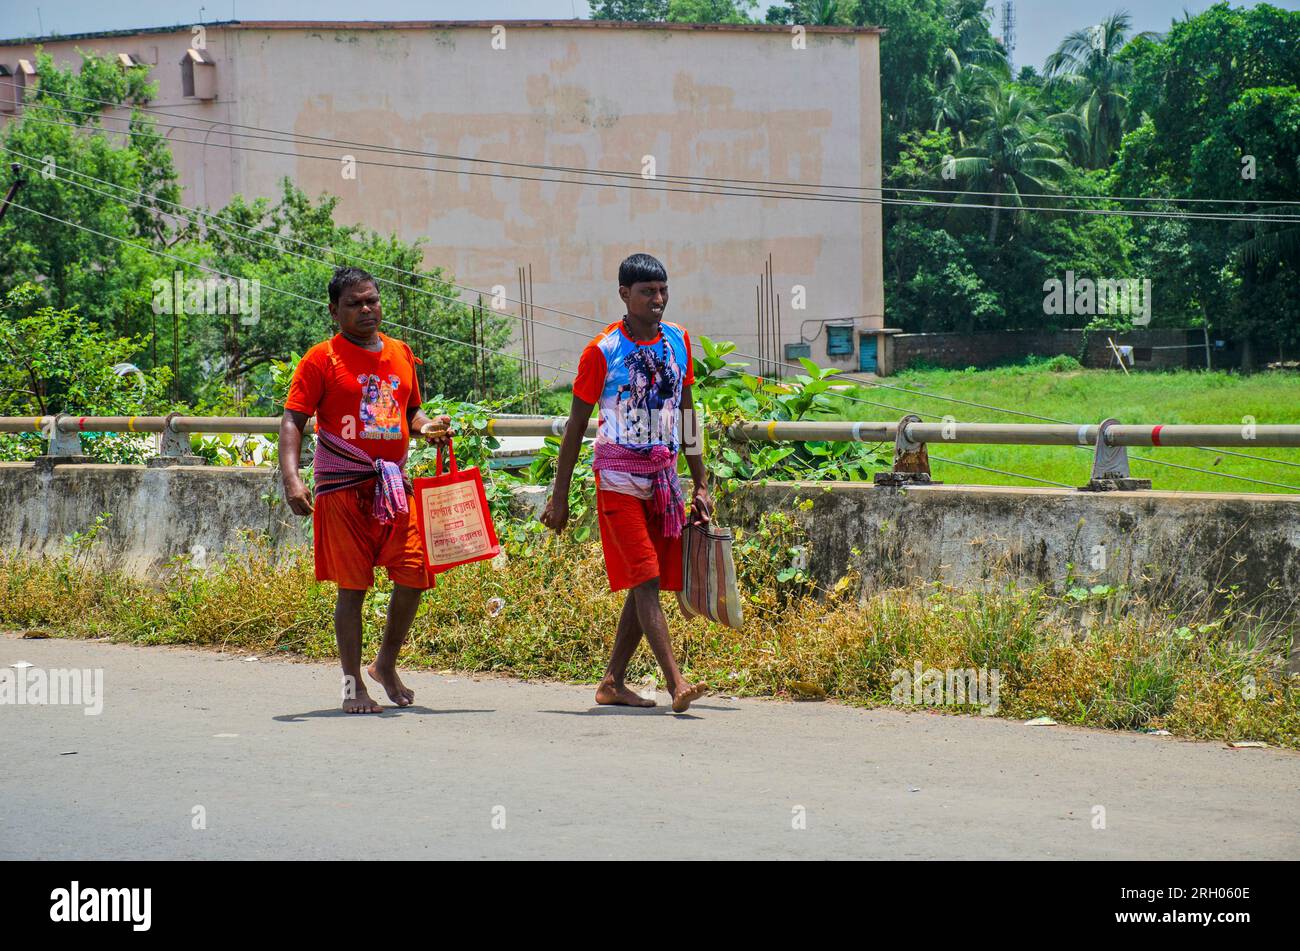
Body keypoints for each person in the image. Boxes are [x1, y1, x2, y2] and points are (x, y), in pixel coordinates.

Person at [541, 253, 711, 713]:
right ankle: (677, 684)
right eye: (646, 292)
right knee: (647, 578)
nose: (657, 300)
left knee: (646, 581)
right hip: (617, 481)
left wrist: (700, 481)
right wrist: (559, 500)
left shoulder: (678, 341)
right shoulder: (602, 351)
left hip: (665, 481)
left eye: (662, 290)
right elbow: (576, 426)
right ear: (624, 295)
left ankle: (612, 682)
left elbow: (688, 413)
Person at [280, 266, 452, 714]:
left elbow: (409, 412)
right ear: (334, 310)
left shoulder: (400, 354)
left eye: (372, 300)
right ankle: (352, 684)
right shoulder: (321, 359)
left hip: (392, 486)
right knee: (352, 589)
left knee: (414, 572)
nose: (366, 309)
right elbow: (293, 419)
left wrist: (426, 426)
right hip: (342, 488)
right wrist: (293, 478)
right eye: (354, 303)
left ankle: (385, 665)